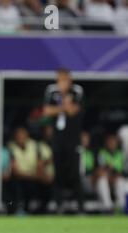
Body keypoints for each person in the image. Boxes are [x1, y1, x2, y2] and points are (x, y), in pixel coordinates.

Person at [43, 68, 84, 213]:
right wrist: (64, 105)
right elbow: (47, 111)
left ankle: (79, 206)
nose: (60, 83)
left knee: (74, 173)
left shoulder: (77, 91)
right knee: (58, 172)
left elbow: (73, 111)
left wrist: (64, 100)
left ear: (69, 79)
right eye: (59, 79)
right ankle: (59, 205)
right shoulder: (51, 90)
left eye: (63, 79)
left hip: (72, 138)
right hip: (57, 138)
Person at [96, 134, 127, 213]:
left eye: (113, 142)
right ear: (106, 143)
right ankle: (108, 207)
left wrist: (116, 175)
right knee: (102, 180)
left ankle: (121, 206)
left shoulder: (121, 154)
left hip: (118, 179)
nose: (111, 144)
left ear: (117, 143)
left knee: (120, 182)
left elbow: (124, 171)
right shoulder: (102, 153)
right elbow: (101, 169)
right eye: (109, 142)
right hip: (107, 178)